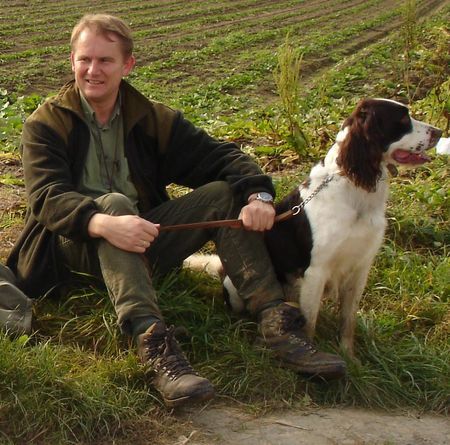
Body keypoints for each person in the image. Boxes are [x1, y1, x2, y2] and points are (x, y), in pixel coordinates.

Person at [5, 14, 346, 408]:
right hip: (67, 252)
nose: (92, 70)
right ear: (72, 60)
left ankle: (277, 322)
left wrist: (259, 197)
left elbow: (220, 157)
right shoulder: (47, 123)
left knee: (222, 193)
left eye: (105, 61)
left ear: (128, 65)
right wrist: (102, 222)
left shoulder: (150, 118)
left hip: (140, 242)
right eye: (84, 59)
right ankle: (154, 343)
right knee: (115, 205)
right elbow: (46, 196)